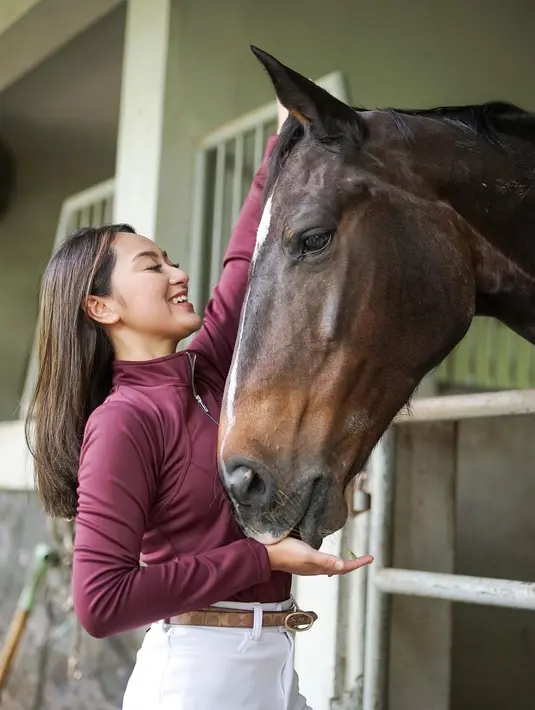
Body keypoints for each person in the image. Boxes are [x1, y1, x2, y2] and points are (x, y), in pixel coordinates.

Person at [26, 99, 373, 710]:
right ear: (101, 307)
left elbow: (243, 263)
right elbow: (100, 603)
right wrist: (258, 558)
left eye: (172, 259)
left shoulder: (205, 370)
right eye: (152, 265)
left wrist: (278, 140)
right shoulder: (123, 422)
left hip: (274, 669)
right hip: (197, 680)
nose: (178, 272)